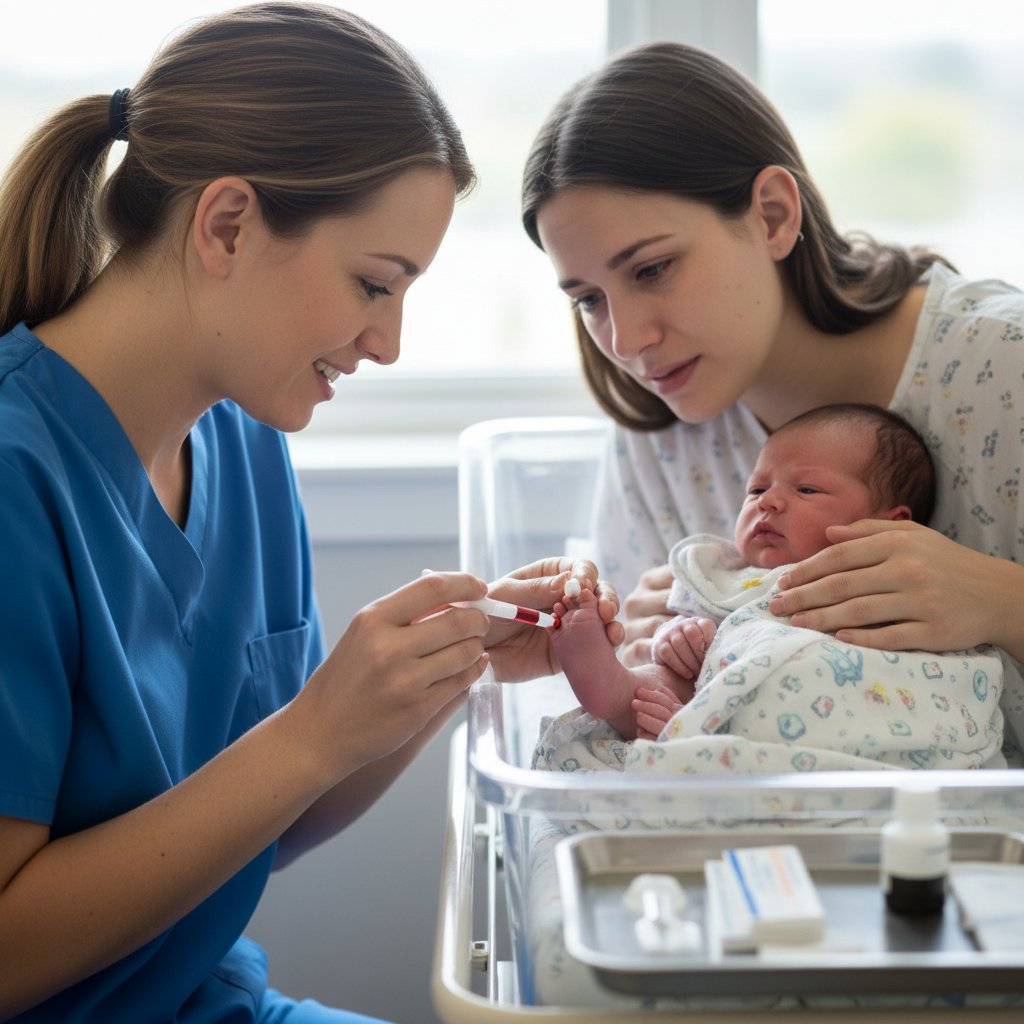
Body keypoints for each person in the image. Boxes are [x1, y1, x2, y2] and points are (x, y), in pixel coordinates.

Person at [0, 5, 615, 1021]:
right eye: (374, 284)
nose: (389, 343)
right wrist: (310, 734)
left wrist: (439, 672)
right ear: (227, 224)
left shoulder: (242, 441)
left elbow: (264, 822)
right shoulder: (20, 478)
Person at [521, 42, 1024, 742]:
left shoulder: (1004, 368)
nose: (627, 341)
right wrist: (638, 654)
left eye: (654, 268)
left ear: (773, 215)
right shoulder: (661, 433)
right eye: (588, 299)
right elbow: (656, 724)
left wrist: (1005, 604)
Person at [552, 403, 937, 739]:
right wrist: (677, 636)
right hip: (718, 716)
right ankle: (618, 694)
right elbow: (675, 631)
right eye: (756, 490)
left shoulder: (891, 581)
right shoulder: (723, 575)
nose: (768, 501)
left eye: (806, 490)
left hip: (836, 725)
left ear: (890, 526)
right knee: (665, 678)